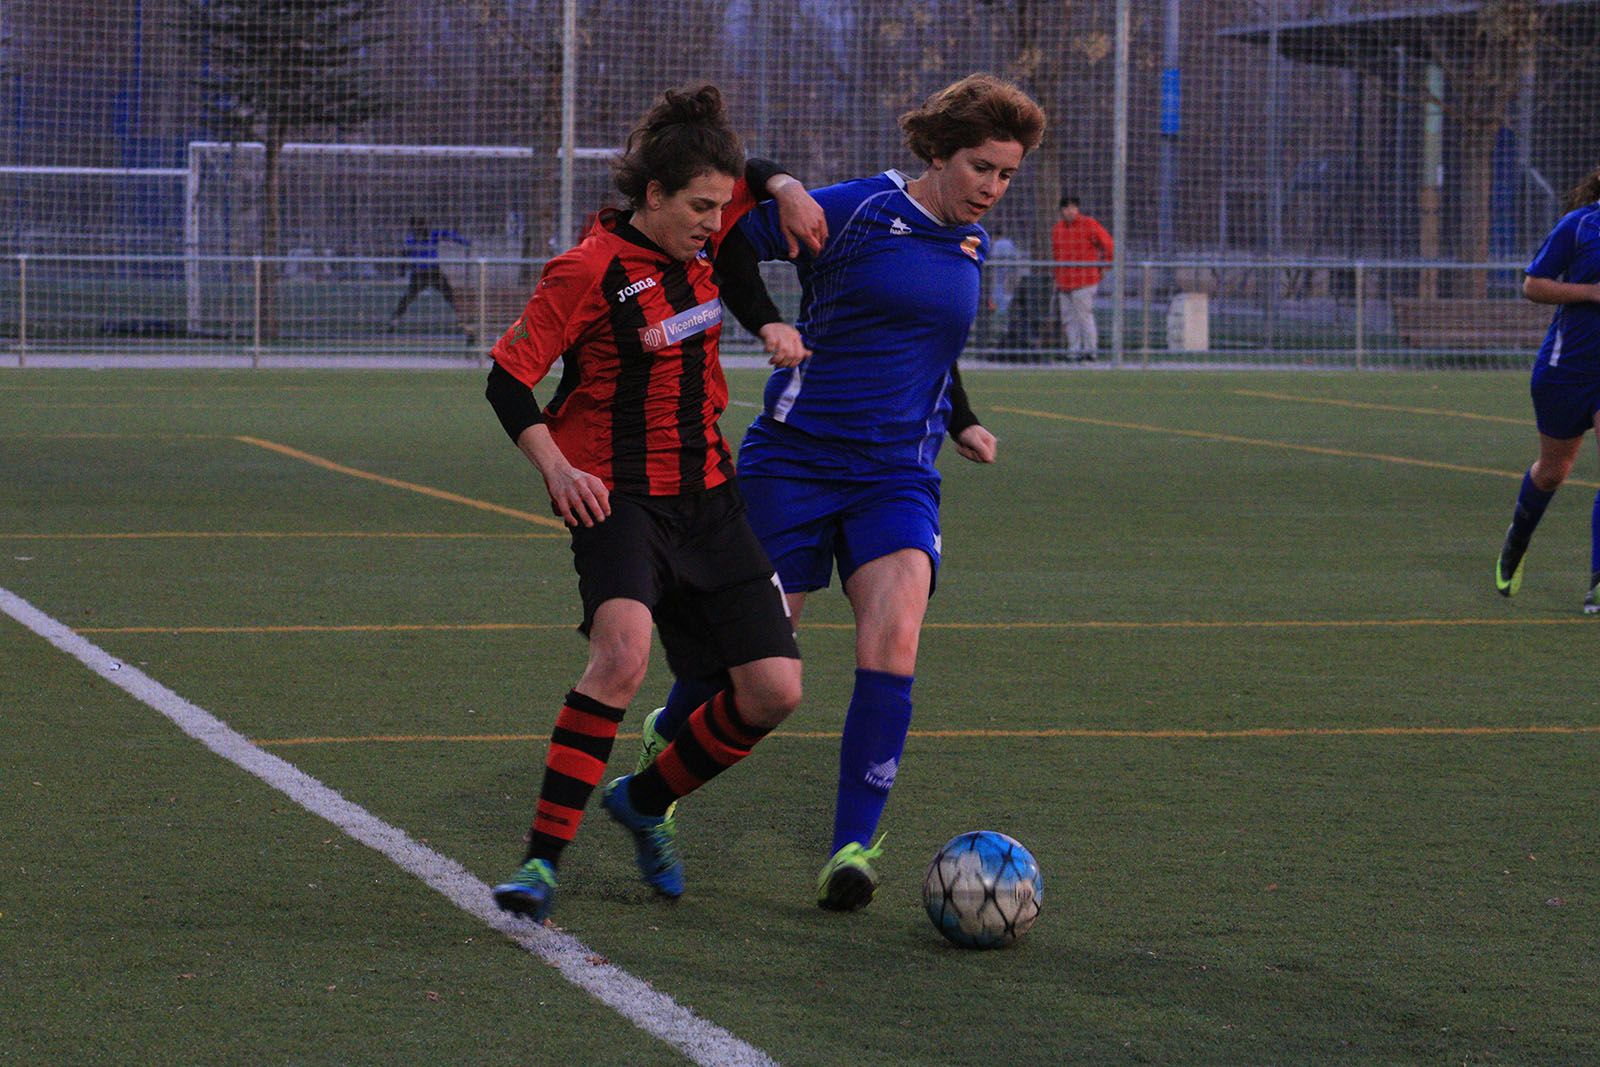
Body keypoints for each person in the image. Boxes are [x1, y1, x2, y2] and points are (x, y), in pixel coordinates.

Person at [637, 73, 1046, 912]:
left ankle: (850, 849)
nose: (992, 189)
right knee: (748, 659)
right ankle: (665, 753)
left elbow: (931, 340)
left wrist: (962, 417)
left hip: (898, 472)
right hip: (796, 459)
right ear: (938, 151)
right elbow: (732, 244)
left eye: (1008, 175)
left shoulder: (971, 243)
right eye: (981, 167)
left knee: (895, 633)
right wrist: (767, 324)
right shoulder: (855, 211)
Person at [484, 84, 828, 924]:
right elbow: (506, 381)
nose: (716, 222)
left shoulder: (705, 239)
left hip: (711, 496)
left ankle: (642, 800)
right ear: (652, 198)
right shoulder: (588, 269)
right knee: (623, 656)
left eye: (722, 206)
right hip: (619, 499)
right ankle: (539, 864)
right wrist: (557, 469)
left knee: (775, 690)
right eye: (700, 208)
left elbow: (754, 177)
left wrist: (783, 189)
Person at [1494, 164, 1600, 612]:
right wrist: (1591, 293)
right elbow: (1534, 285)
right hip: (1565, 370)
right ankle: (1517, 541)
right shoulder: (1579, 225)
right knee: (1553, 472)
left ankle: (1597, 582)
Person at [1051, 195, 1113, 361]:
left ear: (1078, 209)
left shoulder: (1089, 225)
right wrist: (1057, 279)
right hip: (1065, 282)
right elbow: (1057, 256)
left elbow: (1108, 244)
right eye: (1066, 208)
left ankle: (1090, 352)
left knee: (1084, 317)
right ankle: (1074, 351)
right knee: (1069, 319)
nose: (1070, 211)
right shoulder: (1058, 229)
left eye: (1073, 207)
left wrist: (1105, 266)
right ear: (1062, 210)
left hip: (1084, 280)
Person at [388, 216, 470, 331]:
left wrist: (464, 241)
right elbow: (405, 254)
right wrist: (402, 269)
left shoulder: (431, 235)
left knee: (448, 295)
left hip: (432, 271)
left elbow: (448, 235)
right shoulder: (413, 239)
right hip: (421, 273)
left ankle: (461, 321)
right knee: (409, 297)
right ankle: (395, 320)